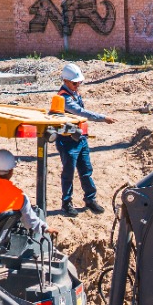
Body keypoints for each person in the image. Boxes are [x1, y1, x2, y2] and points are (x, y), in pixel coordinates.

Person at [53, 62, 115, 217]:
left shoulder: (74, 94)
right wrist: (103, 118)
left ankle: (90, 199)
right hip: (67, 141)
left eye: (79, 83)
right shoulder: (64, 98)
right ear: (66, 81)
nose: (77, 85)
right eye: (74, 83)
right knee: (68, 173)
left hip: (80, 139)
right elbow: (80, 112)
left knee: (86, 170)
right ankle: (67, 203)